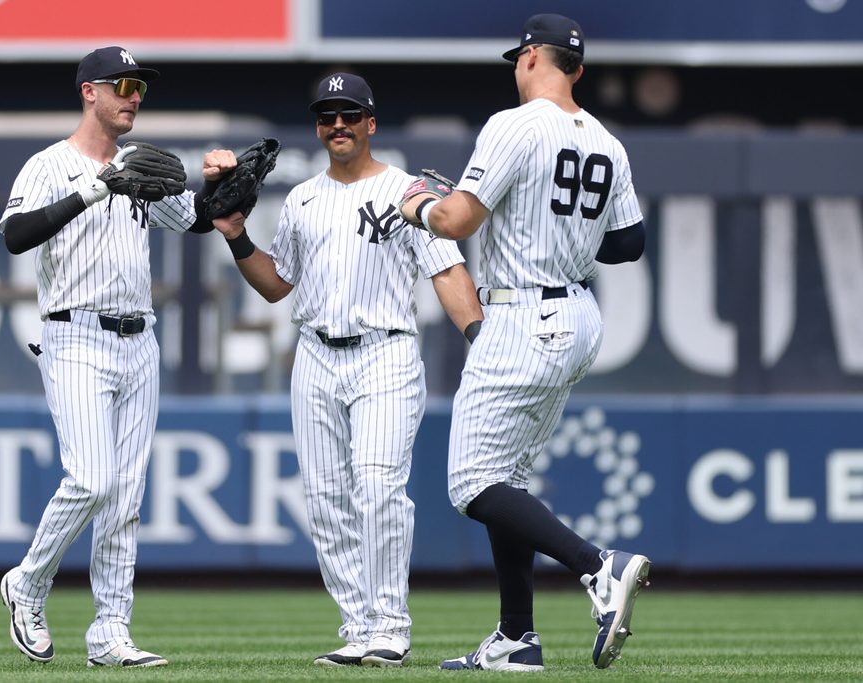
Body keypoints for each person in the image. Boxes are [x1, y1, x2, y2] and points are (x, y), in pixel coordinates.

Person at [398, 14, 650, 673]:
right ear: (580, 70)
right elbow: (629, 243)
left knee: (472, 483)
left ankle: (598, 565)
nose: (518, 65)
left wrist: (419, 201)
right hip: (577, 313)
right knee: (505, 478)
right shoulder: (606, 140)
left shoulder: (514, 123)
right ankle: (516, 637)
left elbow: (456, 219)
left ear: (533, 55)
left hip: (523, 312)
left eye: (521, 56)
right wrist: (558, 222)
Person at [212, 72, 483, 668]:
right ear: (318, 126)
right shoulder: (303, 198)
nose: (338, 124)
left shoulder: (406, 191)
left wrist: (478, 336)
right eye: (328, 115)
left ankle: (390, 624)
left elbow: (446, 268)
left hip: (384, 351)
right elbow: (279, 286)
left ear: (371, 124)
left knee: (380, 487)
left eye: (350, 114)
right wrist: (236, 238)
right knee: (326, 497)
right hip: (313, 354)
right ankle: (359, 625)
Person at [0, 45, 238, 668]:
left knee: (125, 496)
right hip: (73, 334)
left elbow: (201, 221)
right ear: (89, 92)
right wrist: (93, 189)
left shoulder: (141, 166)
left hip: (140, 340)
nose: (134, 95)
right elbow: (16, 236)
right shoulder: (50, 164)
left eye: (140, 87)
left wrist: (227, 183)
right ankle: (27, 582)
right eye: (123, 84)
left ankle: (110, 632)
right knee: (91, 478)